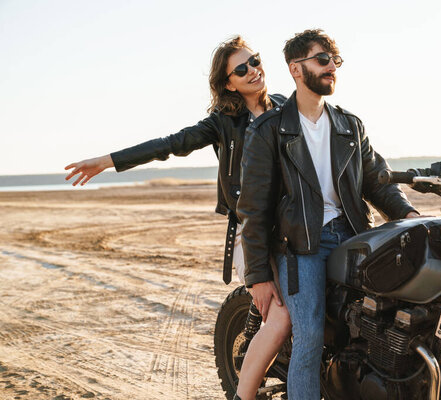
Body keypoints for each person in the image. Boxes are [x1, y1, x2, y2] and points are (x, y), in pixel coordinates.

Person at [64, 36, 291, 400]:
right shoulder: (223, 122)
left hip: (297, 228)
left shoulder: (285, 108)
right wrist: (107, 162)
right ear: (227, 82)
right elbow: (169, 144)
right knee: (279, 317)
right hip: (253, 232)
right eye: (241, 68)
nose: (253, 70)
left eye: (256, 61)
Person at [237, 29, 420, 399]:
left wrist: (409, 213)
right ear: (295, 68)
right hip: (300, 245)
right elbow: (252, 209)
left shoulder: (349, 126)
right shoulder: (269, 130)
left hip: (352, 235)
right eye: (322, 60)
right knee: (308, 337)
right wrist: (258, 275)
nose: (331, 68)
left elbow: (377, 181)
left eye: (334, 61)